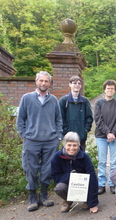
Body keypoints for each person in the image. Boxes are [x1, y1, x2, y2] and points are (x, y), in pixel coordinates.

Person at [16, 71, 63, 212]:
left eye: (46, 81)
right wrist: (24, 134)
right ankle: (32, 196)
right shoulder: (27, 98)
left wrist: (58, 136)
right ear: (36, 81)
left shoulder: (54, 99)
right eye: (41, 80)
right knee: (30, 168)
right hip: (32, 140)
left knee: (47, 169)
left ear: (50, 83)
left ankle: (44, 195)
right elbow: (20, 120)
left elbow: (58, 119)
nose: (43, 83)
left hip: (50, 141)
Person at [51, 132, 98, 213]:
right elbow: (55, 176)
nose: (72, 148)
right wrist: (70, 176)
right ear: (64, 145)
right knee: (60, 187)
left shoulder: (85, 157)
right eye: (69, 145)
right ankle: (67, 201)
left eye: (74, 145)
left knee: (91, 180)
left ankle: (87, 201)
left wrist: (93, 204)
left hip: (83, 184)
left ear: (79, 145)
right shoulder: (56, 157)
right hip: (66, 182)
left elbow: (92, 177)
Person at [94, 79, 116, 195]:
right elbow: (98, 119)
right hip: (101, 136)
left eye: (112, 88)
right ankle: (101, 184)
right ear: (104, 90)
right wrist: (107, 132)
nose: (110, 90)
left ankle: (112, 183)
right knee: (102, 161)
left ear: (115, 90)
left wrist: (113, 133)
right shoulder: (99, 103)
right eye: (108, 88)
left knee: (114, 162)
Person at [59, 76, 93, 151]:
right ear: (70, 84)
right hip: (68, 138)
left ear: (81, 86)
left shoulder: (85, 101)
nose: (77, 85)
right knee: (67, 158)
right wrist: (65, 131)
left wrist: (85, 130)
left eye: (79, 83)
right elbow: (60, 118)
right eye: (74, 83)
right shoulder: (64, 101)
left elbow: (89, 117)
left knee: (80, 159)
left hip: (81, 138)